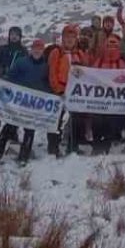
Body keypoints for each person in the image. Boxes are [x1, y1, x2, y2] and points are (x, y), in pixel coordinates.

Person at [45, 25, 84, 157]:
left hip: (76, 92)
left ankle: (73, 146)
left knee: (75, 119)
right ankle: (53, 147)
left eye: (72, 37)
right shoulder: (56, 52)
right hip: (60, 90)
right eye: (67, 37)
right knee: (56, 119)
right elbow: (52, 73)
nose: (70, 40)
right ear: (63, 38)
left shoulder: (79, 54)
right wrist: (57, 89)